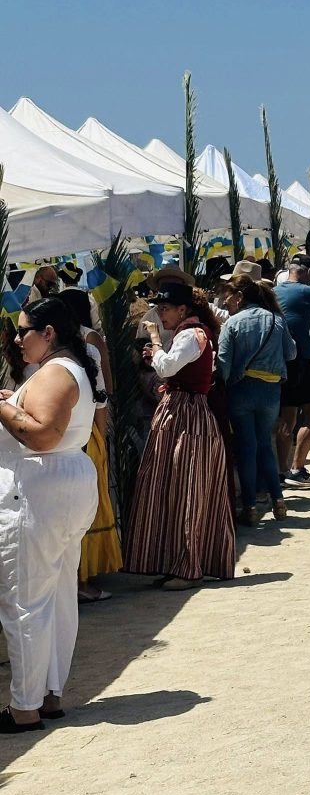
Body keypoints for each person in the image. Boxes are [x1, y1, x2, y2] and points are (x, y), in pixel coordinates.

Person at [0, 298, 102, 731]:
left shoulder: (56, 372)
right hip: (62, 485)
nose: (17, 339)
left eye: (24, 330)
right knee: (55, 596)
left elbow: (41, 437)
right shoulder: (68, 369)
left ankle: (25, 706)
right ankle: (49, 694)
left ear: (49, 333)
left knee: (26, 600)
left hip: (40, 489)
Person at [122, 282, 235, 589]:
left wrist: (156, 343)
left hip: (188, 416)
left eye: (166, 308)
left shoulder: (190, 334)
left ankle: (189, 567)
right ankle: (175, 562)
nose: (161, 314)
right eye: (159, 309)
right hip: (182, 412)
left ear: (183, 309)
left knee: (187, 489)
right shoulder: (191, 334)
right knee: (172, 487)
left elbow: (168, 368)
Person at [57, 288, 121, 601]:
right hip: (82, 434)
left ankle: (76, 580)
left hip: (60, 437)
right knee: (86, 506)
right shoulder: (88, 342)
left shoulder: (44, 350)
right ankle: (82, 579)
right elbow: (103, 391)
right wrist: (102, 432)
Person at [218, 276, 297, 523]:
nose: (225, 300)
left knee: (247, 448)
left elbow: (223, 365)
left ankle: (250, 507)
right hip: (271, 392)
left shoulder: (232, 323)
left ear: (240, 297)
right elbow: (292, 353)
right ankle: (279, 501)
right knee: (264, 445)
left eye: (228, 295)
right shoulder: (276, 319)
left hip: (241, 391)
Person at [274, 258, 310, 488]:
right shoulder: (308, 293)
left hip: (280, 362)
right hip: (302, 360)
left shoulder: (273, 292)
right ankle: (297, 467)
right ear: (309, 272)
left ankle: (282, 470)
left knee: (287, 417)